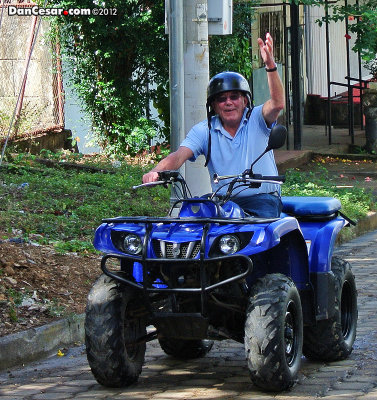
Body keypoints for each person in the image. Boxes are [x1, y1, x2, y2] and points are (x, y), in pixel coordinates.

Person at [143, 33, 285, 217]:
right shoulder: (205, 130)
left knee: (256, 235)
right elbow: (178, 156)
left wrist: (270, 65)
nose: (228, 103)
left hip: (262, 200)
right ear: (213, 106)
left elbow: (277, 104)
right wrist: (155, 172)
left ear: (244, 101)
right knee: (191, 218)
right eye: (221, 99)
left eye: (234, 97)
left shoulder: (257, 118)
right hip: (224, 201)